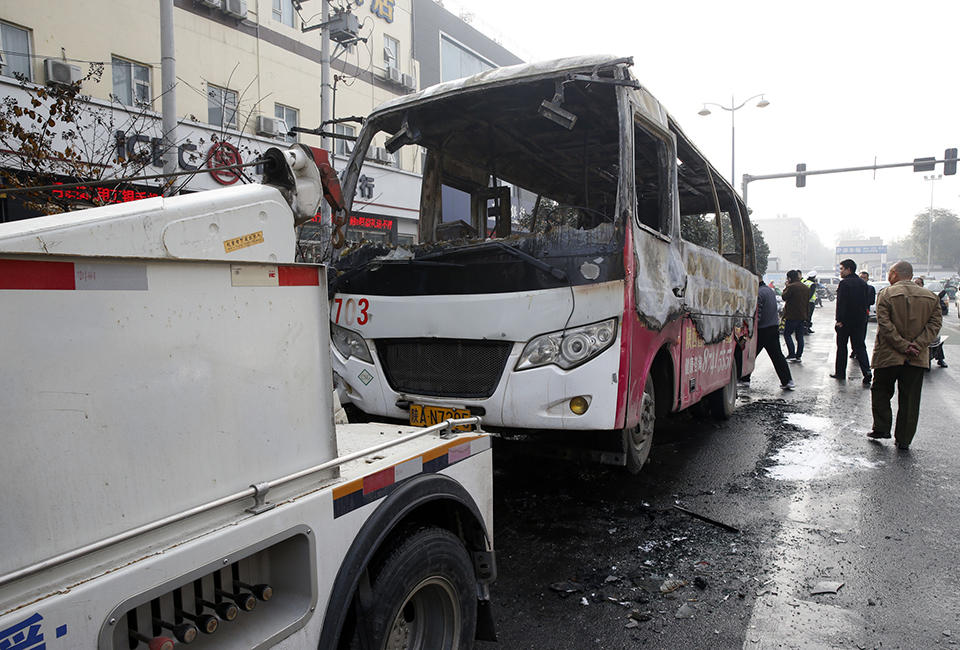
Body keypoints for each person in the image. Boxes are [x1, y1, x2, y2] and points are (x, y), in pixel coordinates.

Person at [868, 260, 942, 449]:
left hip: (888, 355)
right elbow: (934, 326)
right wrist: (917, 345)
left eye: (890, 273)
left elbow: (884, 324)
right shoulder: (931, 297)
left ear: (894, 273)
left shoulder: (886, 294)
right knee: (910, 399)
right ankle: (904, 439)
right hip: (916, 357)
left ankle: (882, 427)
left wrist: (902, 345)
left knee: (881, 391)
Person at [744, 278, 795, 389]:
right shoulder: (769, 291)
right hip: (773, 327)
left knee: (750, 355)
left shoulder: (758, 293)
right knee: (777, 356)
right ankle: (787, 381)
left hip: (762, 330)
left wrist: (750, 329)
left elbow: (757, 315)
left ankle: (744, 379)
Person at [830, 259, 871, 385]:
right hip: (859, 321)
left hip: (846, 322)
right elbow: (867, 302)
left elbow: (842, 303)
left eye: (842, 269)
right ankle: (867, 371)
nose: (840, 271)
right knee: (860, 346)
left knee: (842, 347)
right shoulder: (863, 284)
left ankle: (840, 372)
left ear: (848, 269)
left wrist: (839, 320)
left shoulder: (844, 284)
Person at [781, 270, 810, 362]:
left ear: (789, 278)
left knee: (787, 334)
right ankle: (798, 356)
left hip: (792, 315)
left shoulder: (791, 287)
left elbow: (784, 297)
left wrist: (786, 287)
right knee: (799, 336)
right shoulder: (805, 287)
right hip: (802, 315)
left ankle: (791, 354)